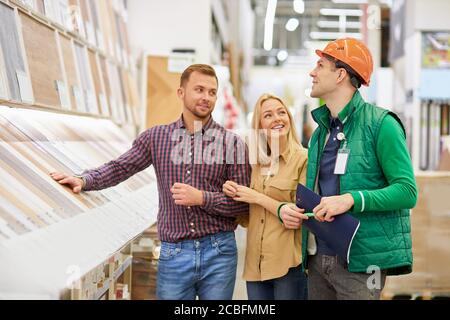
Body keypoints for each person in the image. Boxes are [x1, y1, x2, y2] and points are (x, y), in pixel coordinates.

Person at [50, 64, 251, 300]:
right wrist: (84, 180)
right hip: (174, 253)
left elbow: (242, 204)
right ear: (181, 93)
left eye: (212, 92)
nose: (206, 97)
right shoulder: (156, 138)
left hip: (219, 251)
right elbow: (120, 167)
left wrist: (202, 198)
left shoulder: (233, 144)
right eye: (199, 89)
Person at [295, 38, 418, 300]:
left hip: (363, 262)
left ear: (340, 74)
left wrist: (351, 199)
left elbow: (407, 191)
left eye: (320, 65)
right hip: (318, 259)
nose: (312, 72)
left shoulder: (381, 125)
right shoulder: (320, 133)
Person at [223, 94, 309, 300]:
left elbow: (301, 215)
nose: (277, 118)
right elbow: (247, 217)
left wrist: (256, 197)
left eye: (282, 112)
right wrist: (234, 194)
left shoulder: (304, 159)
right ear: (259, 125)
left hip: (288, 264)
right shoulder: (256, 164)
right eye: (268, 115)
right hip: (255, 265)